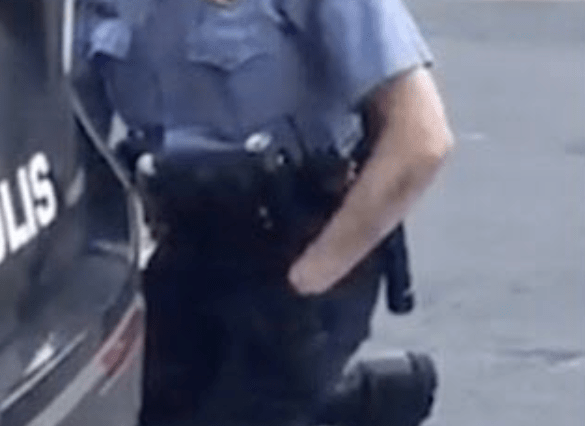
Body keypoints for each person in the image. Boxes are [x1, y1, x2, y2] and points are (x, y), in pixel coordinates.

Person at [74, 0, 454, 424]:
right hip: (183, 248)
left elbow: (421, 137)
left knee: (245, 409)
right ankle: (337, 408)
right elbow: (69, 144)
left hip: (296, 247)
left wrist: (311, 278)